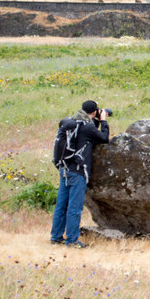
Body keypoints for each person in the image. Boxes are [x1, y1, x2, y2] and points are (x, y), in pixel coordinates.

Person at [50, 99, 110, 248]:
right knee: (75, 208)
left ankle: (56, 237)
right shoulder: (86, 127)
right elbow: (103, 138)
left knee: (61, 205)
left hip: (64, 168)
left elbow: (86, 138)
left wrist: (95, 121)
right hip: (77, 171)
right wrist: (103, 121)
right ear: (95, 111)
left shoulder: (71, 122)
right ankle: (71, 240)